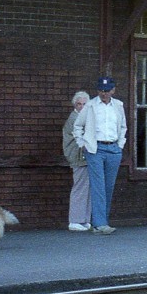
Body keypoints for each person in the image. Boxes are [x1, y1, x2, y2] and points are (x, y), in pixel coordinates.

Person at [70, 75, 125, 234]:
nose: (104, 93)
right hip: (96, 149)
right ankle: (100, 223)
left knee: (108, 186)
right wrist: (83, 144)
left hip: (113, 148)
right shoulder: (91, 106)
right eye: (101, 90)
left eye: (107, 90)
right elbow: (77, 126)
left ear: (113, 90)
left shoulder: (118, 106)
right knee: (98, 186)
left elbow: (123, 127)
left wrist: (120, 144)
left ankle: (100, 221)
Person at [62, 91, 92, 232]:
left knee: (86, 188)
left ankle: (84, 219)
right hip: (79, 156)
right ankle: (75, 220)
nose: (81, 106)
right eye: (79, 104)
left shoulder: (81, 117)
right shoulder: (75, 118)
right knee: (80, 188)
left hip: (83, 156)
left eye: (84, 104)